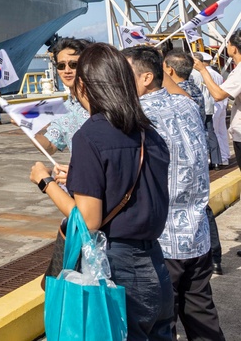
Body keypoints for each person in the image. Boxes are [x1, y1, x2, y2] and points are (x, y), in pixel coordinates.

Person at [30, 43, 172, 341]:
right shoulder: (150, 133)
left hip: (116, 264)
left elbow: (88, 221)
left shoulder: (90, 136)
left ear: (84, 84)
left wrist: (46, 182)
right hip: (156, 263)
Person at [124, 46, 225, 341]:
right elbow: (172, 86)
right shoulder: (187, 105)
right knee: (201, 314)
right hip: (197, 235)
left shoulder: (138, 116)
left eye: (123, 71)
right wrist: (156, 60)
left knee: (161, 324)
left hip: (163, 240)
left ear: (144, 78)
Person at [37, 37, 91, 154]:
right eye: (61, 66)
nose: (67, 70)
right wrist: (29, 129)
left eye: (73, 65)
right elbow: (50, 146)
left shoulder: (106, 101)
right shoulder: (64, 109)